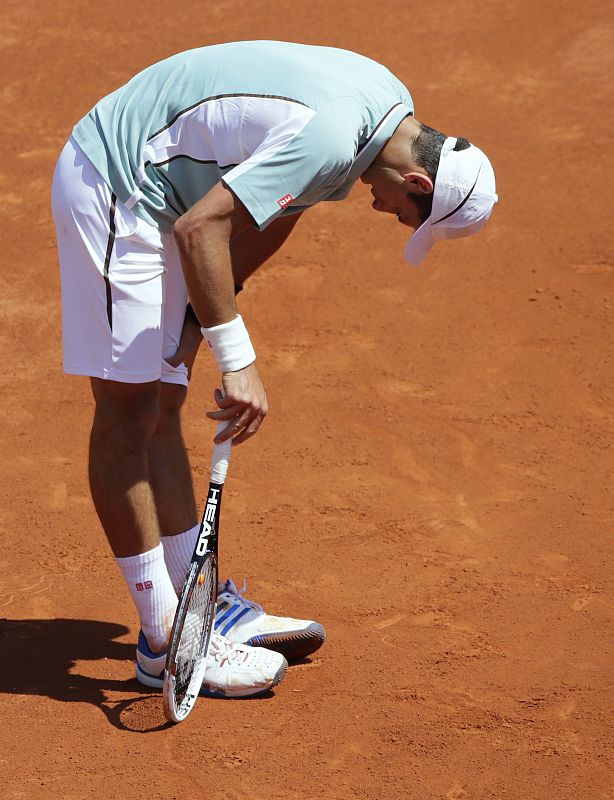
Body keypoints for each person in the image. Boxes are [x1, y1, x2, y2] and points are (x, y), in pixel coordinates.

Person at [51, 41, 497, 698]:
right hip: (120, 183)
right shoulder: (334, 137)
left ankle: (197, 607)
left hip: (172, 195)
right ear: (418, 183)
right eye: (404, 216)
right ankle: (164, 640)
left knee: (165, 401)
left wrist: (202, 322)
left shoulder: (380, 113)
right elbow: (205, 229)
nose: (388, 217)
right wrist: (240, 363)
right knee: (129, 409)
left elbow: (279, 208)